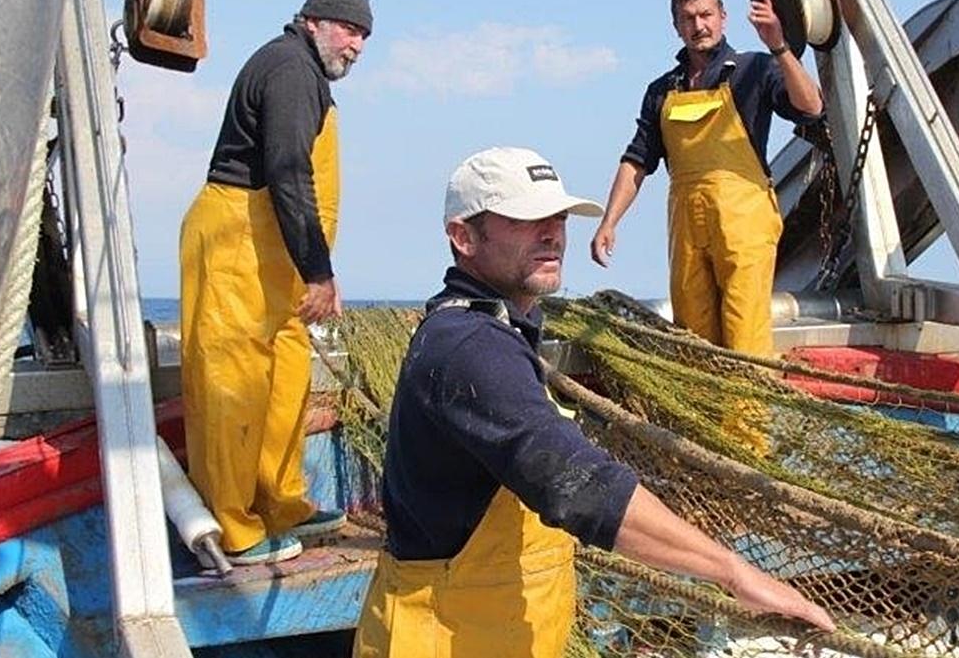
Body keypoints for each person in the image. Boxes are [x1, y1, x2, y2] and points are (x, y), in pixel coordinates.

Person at [352, 147, 834, 657]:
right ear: (463, 236)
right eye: (524, 218)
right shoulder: (471, 347)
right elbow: (576, 483)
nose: (552, 233)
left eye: (557, 217)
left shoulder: (494, 331)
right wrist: (735, 574)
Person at [179, 0, 372, 565]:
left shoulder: (306, 75)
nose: (357, 45)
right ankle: (235, 528)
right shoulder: (290, 68)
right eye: (348, 29)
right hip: (237, 240)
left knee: (286, 375)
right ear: (312, 21)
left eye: (364, 35)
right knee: (233, 385)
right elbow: (288, 172)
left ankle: (281, 500)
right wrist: (319, 271)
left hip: (274, 256)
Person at [590, 0, 824, 358]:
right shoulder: (663, 89)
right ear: (676, 26)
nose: (699, 26)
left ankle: (747, 421)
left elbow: (811, 107)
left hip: (743, 222)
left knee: (745, 334)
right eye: (689, 18)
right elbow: (637, 161)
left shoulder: (755, 69)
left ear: (722, 16)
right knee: (693, 338)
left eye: (706, 15)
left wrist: (780, 48)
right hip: (686, 226)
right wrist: (609, 222)